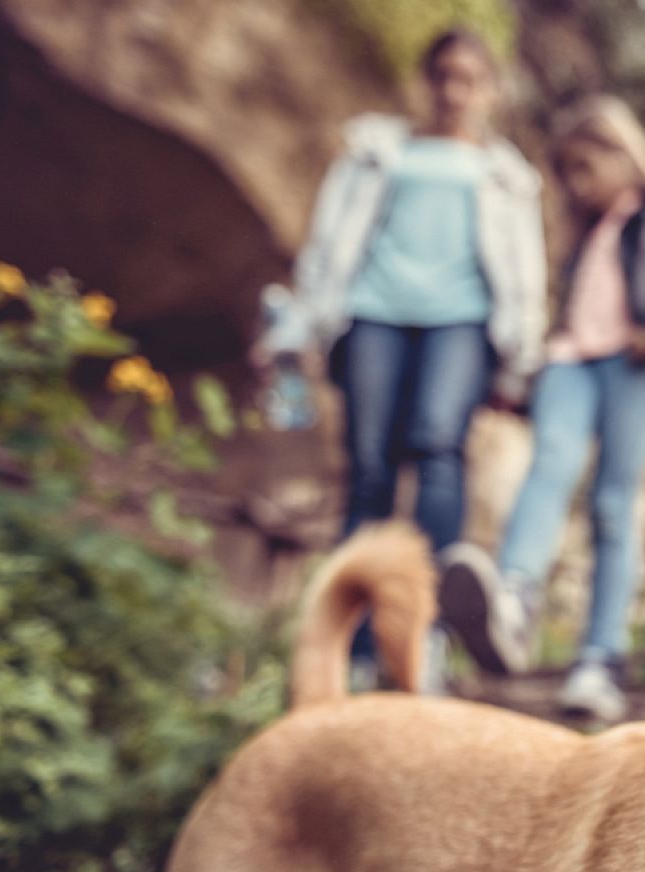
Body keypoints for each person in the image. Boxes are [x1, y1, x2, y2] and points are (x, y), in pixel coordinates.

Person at [261, 29, 546, 690]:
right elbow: (329, 243)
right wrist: (298, 324)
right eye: (444, 75)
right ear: (427, 80)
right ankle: (355, 650)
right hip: (372, 314)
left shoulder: (507, 176)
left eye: (470, 79)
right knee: (368, 471)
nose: (454, 91)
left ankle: (426, 640)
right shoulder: (375, 151)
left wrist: (519, 359)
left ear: (491, 92)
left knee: (439, 450)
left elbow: (526, 273)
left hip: (463, 322)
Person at [438, 95, 645, 721]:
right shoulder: (588, 234)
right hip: (571, 362)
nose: (577, 185)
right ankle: (513, 604)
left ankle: (600, 659)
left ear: (620, 150)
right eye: (568, 173)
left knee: (612, 501)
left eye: (585, 167)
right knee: (548, 465)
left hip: (639, 362)